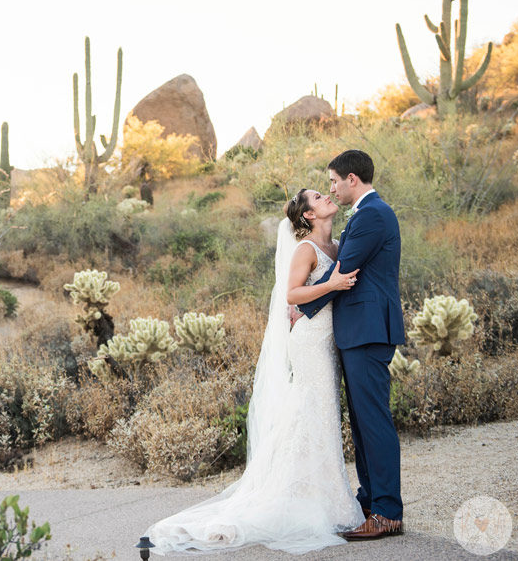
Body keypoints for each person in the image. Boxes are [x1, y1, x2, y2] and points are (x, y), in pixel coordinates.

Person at [142, 187, 365, 555]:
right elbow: (292, 294)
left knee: (322, 412)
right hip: (310, 340)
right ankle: (305, 497)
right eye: (318, 198)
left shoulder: (337, 245)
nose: (327, 197)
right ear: (308, 215)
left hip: (330, 339)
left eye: (326, 195)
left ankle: (323, 492)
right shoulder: (305, 249)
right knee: (313, 408)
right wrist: (333, 284)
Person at [298, 149, 405, 541]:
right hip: (357, 331)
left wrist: (304, 310)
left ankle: (388, 511)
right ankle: (370, 500)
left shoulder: (374, 214)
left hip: (369, 330)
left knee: (373, 422)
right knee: (362, 423)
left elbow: (345, 271)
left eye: (333, 181)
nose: (331, 189)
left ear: (352, 180)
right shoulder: (364, 215)